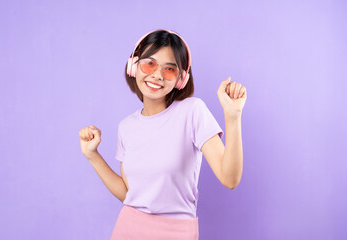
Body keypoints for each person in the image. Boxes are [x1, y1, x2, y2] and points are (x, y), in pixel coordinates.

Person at [78, 29, 247, 240]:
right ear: (134, 66)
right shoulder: (126, 126)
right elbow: (130, 194)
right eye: (149, 64)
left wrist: (233, 116)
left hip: (177, 233)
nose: (157, 75)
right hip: (127, 229)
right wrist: (93, 155)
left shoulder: (192, 111)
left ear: (181, 78)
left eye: (169, 69)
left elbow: (230, 179)